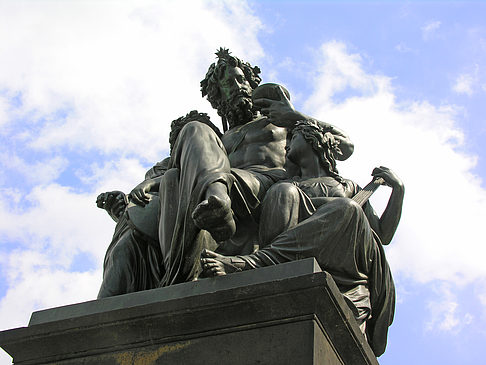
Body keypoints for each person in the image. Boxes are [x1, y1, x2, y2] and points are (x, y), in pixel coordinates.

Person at [201, 119, 404, 357]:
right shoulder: (285, 183)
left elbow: (383, 234)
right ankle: (269, 271)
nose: (286, 146)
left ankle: (251, 263)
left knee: (348, 210)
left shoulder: (349, 187)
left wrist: (398, 191)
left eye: (293, 138)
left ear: (312, 140)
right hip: (293, 256)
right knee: (282, 191)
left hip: (343, 259)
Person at [156, 48, 355, 286]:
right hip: (226, 186)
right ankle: (181, 276)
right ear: (218, 97)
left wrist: (293, 116)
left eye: (242, 80)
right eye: (230, 83)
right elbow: (165, 172)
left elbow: (345, 147)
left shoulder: (278, 121)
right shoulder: (219, 138)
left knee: (212, 174)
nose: (239, 86)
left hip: (268, 186)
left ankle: (219, 199)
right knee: (179, 161)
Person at [97, 111, 220, 298]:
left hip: (193, 229)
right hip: (145, 233)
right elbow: (148, 206)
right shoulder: (161, 167)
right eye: (178, 140)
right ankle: (101, 319)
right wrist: (121, 207)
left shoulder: (218, 163)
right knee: (122, 253)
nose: (184, 144)